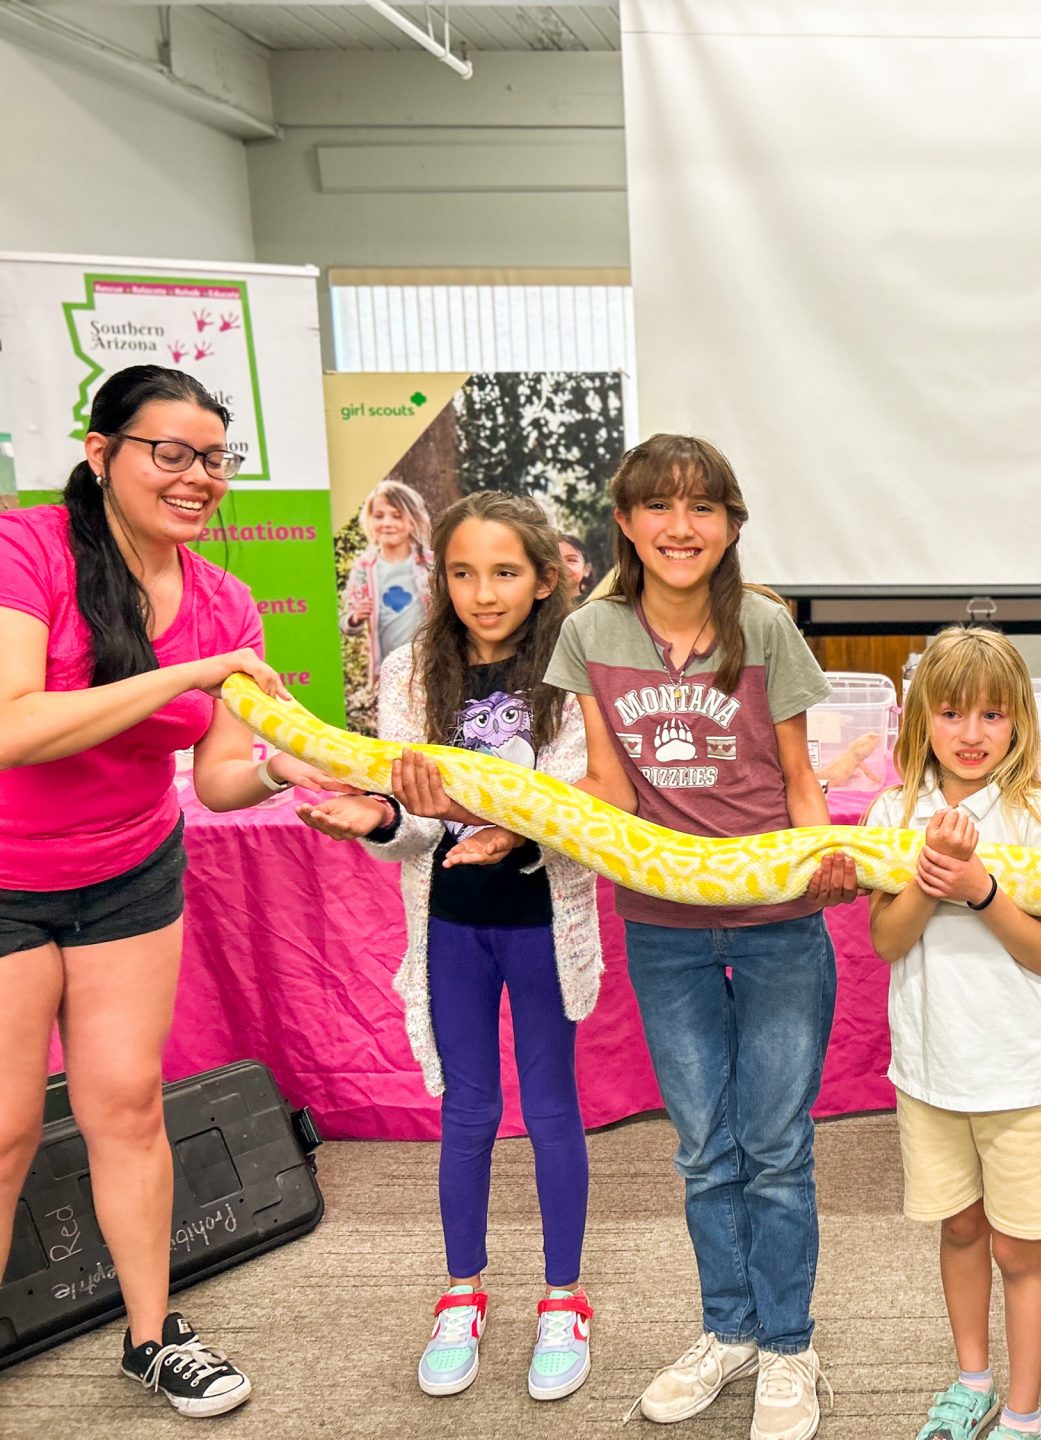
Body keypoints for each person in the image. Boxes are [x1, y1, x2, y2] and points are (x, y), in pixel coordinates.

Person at [0, 365, 346, 1417]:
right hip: (8, 875)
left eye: (216, 459)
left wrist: (296, 768)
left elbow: (225, 777)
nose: (199, 478)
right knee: (8, 1125)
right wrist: (188, 676)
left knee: (127, 1105)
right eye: (172, 453)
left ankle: (151, 1338)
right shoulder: (30, 548)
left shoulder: (227, 601)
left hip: (131, 871)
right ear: (102, 454)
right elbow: (12, 725)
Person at [543, 434, 858, 1440]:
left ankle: (789, 1346)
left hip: (777, 922)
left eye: (704, 509)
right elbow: (602, 782)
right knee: (700, 1151)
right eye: (660, 507)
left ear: (730, 525)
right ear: (626, 522)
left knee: (773, 1146)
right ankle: (728, 1330)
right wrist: (505, 820)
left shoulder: (763, 625)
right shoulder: (591, 632)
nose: (683, 527)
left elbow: (801, 777)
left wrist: (823, 863)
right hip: (663, 923)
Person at [295, 491, 601, 1402]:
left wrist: (512, 824)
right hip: (452, 927)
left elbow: (582, 809)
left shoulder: (574, 674)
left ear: (545, 578)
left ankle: (563, 1298)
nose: (483, 592)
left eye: (505, 572)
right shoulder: (409, 676)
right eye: (463, 573)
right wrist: (380, 817)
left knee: (550, 1110)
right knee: (466, 1114)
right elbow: (416, 824)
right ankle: (462, 1290)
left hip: (544, 921)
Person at [867, 626, 1041, 1440]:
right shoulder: (893, 811)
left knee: (1021, 1251)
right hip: (929, 1071)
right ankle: (973, 1382)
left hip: (1024, 1073)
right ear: (923, 717)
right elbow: (889, 942)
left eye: (992, 715)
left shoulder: (1036, 812)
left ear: (1020, 722)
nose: (970, 734)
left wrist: (981, 886)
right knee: (960, 1229)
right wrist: (930, 879)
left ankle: (1023, 1414)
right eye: (952, 713)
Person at [342, 478, 434, 676]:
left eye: (397, 516)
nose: (387, 523)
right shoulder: (363, 568)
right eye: (379, 516)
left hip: (430, 663)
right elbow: (346, 622)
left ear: (412, 520)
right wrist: (355, 617)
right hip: (387, 670)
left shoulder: (430, 563)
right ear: (369, 520)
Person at [558, 532, 595, 600]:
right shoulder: (537, 607)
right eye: (555, 560)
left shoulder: (592, 604)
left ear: (586, 569)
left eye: (571, 560)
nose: (562, 566)